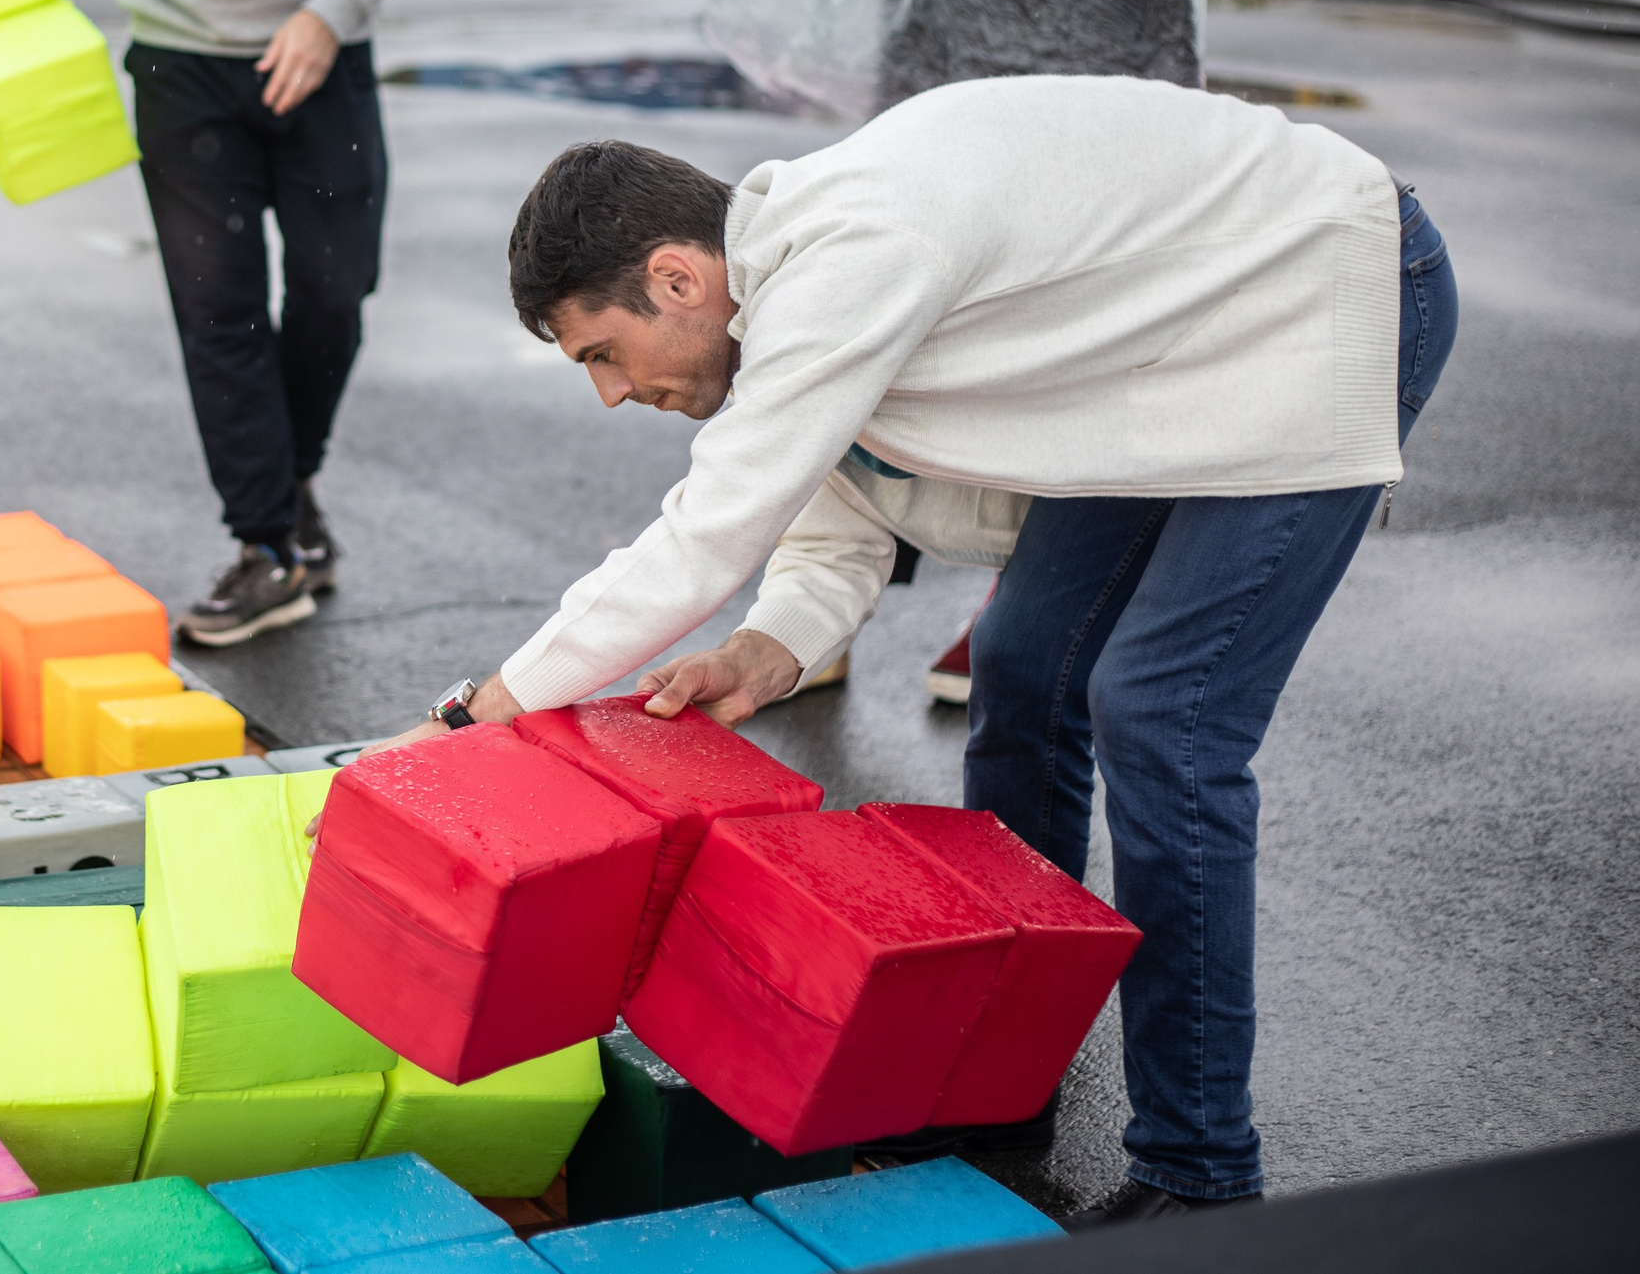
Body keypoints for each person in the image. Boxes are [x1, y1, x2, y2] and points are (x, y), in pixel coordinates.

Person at [389, 75, 1456, 1224]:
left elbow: (707, 529)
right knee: (1021, 670)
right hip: (1168, 351)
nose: (609, 393)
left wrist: (478, 712)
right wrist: (769, 646)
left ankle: (1199, 1170)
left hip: (1323, 291)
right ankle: (1000, 1080)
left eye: (603, 352)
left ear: (676, 276)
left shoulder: (853, 247)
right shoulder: (792, 292)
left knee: (1161, 711)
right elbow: (833, 492)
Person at [729, 0, 1328, 703]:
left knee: (1057, 349)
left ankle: (1022, 599)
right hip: (941, 78)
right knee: (889, 333)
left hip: (1105, 101)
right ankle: (816, 596)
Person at [0, 0, 445, 646]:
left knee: (330, 289)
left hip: (319, 56)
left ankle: (289, 479)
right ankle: (266, 543)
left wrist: (330, 11)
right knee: (215, 308)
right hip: (178, 64)